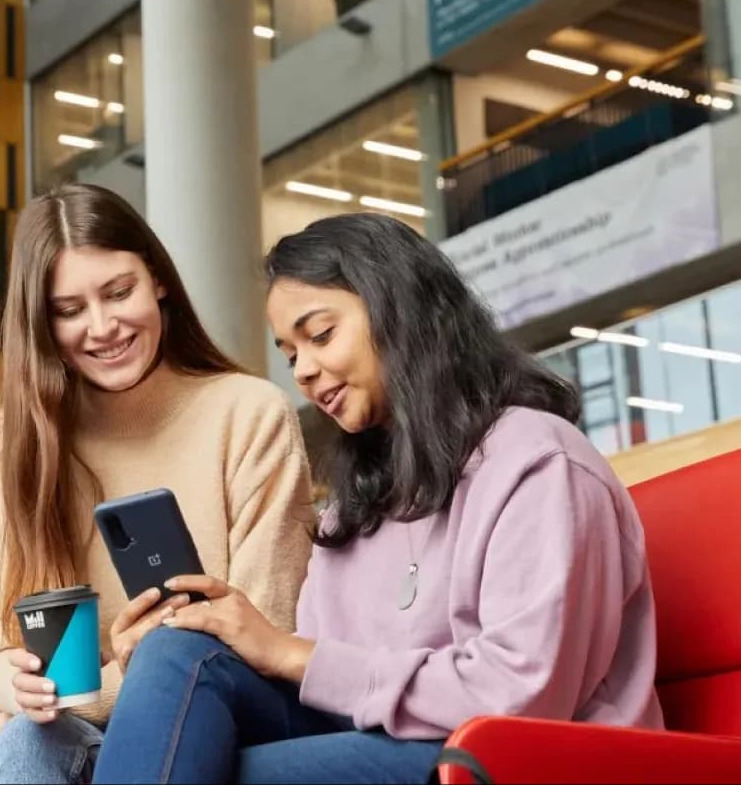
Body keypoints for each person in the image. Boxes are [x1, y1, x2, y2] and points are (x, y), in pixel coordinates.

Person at [91, 213, 664, 784]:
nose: (306, 372)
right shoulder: (353, 510)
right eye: (291, 356)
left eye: (320, 336)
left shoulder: (539, 462)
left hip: (523, 761)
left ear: (399, 309)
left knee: (240, 774)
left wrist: (292, 653)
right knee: (175, 652)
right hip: (383, 747)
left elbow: (522, 694)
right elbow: (329, 700)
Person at [0, 184, 315, 784]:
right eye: (69, 311)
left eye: (119, 292)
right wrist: (17, 694)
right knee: (28, 743)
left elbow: (266, 624)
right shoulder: (12, 444)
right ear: (41, 323)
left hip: (216, 712)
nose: (102, 326)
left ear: (158, 281)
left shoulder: (247, 414)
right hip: (77, 736)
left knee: (27, 740)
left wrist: (63, 701)